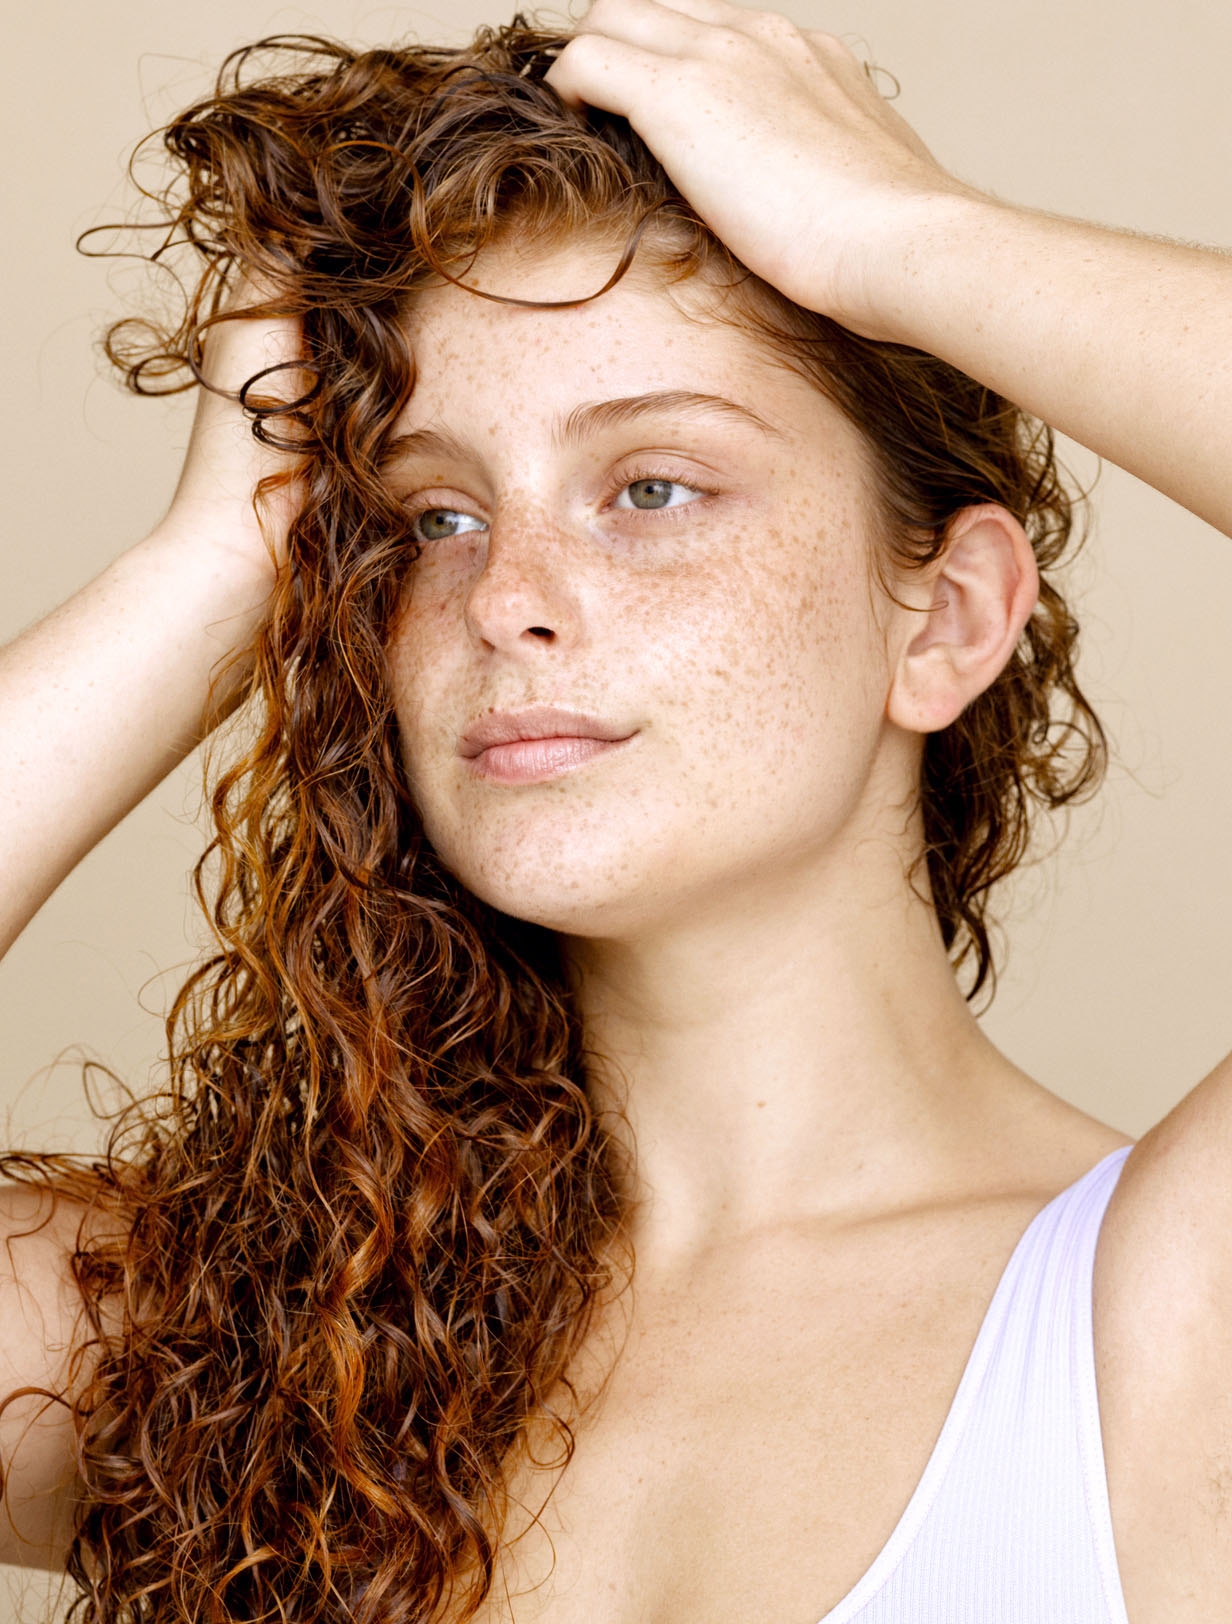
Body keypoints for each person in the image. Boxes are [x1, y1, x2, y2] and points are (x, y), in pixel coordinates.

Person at [0, 0, 1227, 1618]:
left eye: (653, 486)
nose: (508, 596)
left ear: (943, 617)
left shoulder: (1164, 1325)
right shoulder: (238, 1349)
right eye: (428, 517)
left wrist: (901, 237)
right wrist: (217, 560)